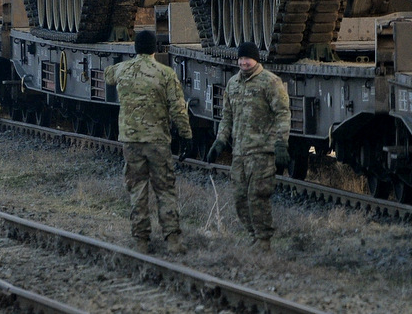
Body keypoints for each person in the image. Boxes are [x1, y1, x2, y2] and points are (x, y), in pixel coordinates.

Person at [105, 29, 193, 254]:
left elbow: (108, 75)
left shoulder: (122, 70)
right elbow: (178, 109)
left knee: (137, 188)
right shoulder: (165, 74)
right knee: (165, 189)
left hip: (131, 141)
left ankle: (141, 240)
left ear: (135, 48)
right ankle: (173, 239)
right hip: (157, 141)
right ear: (155, 49)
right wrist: (186, 135)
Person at [205, 41, 291, 251]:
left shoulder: (270, 82)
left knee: (257, 196)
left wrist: (281, 144)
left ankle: (263, 240)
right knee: (240, 198)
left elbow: (282, 113)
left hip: (262, 152)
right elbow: (227, 117)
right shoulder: (233, 84)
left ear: (256, 59)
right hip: (240, 153)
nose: (243, 62)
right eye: (241, 58)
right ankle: (254, 236)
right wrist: (220, 141)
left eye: (247, 59)